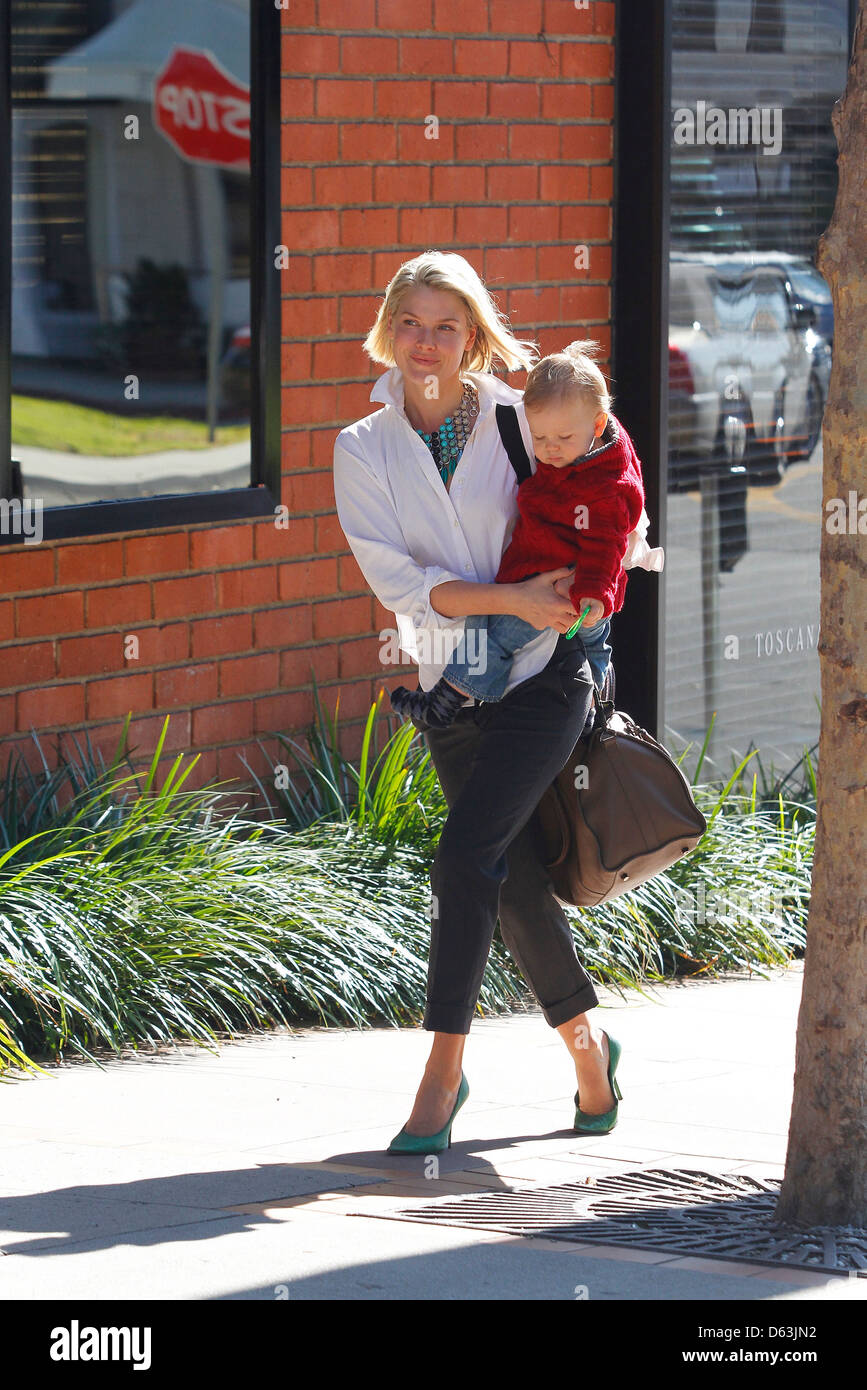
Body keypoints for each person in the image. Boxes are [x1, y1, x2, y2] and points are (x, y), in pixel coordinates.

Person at [332, 251, 656, 1154]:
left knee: (463, 861)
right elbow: (398, 580)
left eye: (446, 325)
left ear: (474, 335)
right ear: (387, 328)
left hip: (549, 673)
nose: (425, 342)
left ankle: (442, 1074)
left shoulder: (526, 421)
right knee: (507, 881)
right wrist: (510, 596)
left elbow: (621, 511)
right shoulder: (362, 448)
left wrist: (584, 591)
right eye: (410, 322)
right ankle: (592, 1055)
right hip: (453, 682)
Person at [388, 341, 664, 729]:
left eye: (562, 439)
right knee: (595, 647)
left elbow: (607, 544)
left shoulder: (607, 487)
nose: (549, 450)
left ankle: (448, 700)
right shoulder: (592, 442)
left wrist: (595, 592)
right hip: (552, 572)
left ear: (598, 425)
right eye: (539, 438)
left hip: (565, 587)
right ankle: (597, 707)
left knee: (496, 634)